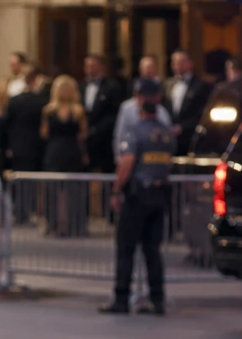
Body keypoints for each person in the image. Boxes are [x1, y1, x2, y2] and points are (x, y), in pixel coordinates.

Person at [100, 78, 175, 315]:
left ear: (140, 105)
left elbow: (127, 163)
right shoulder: (166, 134)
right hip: (159, 195)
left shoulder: (135, 131)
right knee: (153, 250)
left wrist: (116, 190)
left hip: (137, 196)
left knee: (126, 248)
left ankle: (121, 298)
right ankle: (157, 299)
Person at [0, 70, 49, 223]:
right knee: (31, 182)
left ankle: (20, 212)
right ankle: (28, 210)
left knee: (19, 182)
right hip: (37, 147)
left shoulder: (14, 101)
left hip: (17, 146)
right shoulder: (43, 101)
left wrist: (4, 145)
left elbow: (5, 124)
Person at [41, 74, 89, 236]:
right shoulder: (74, 111)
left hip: (61, 150)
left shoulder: (51, 111)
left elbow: (44, 133)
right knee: (64, 189)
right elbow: (83, 134)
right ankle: (64, 223)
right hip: (66, 150)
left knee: (65, 189)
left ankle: (63, 223)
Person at [114, 55, 172, 152]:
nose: (144, 98)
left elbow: (169, 137)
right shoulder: (127, 108)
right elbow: (120, 136)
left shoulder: (161, 111)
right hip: (131, 154)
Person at [82, 53, 124, 172]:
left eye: (92, 65)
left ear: (101, 66)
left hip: (104, 139)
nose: (89, 69)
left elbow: (115, 113)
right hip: (86, 141)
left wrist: (97, 129)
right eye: (87, 66)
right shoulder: (82, 87)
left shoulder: (112, 87)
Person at [166, 49, 212, 157]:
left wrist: (183, 127)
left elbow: (202, 112)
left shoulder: (201, 85)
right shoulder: (167, 84)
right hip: (170, 137)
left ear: (190, 64)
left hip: (191, 136)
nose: (177, 66)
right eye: (175, 63)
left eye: (181, 62)